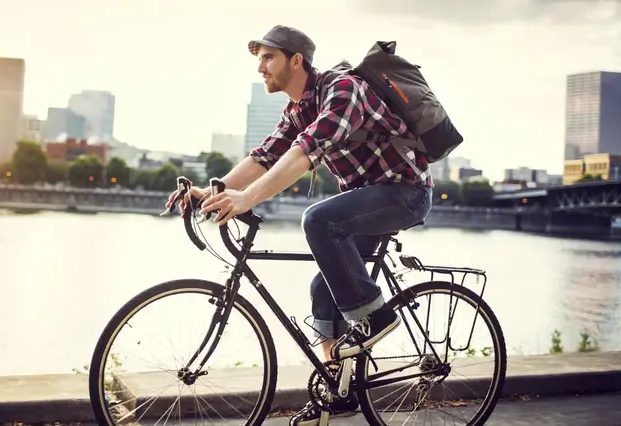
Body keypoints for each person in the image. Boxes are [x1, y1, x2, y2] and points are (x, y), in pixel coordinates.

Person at [164, 24, 433, 425]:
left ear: (296, 60)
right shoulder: (296, 110)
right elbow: (265, 156)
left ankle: (378, 318)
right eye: (259, 59)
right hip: (363, 203)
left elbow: (304, 154)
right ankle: (340, 391)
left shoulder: (343, 89)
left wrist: (247, 199)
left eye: (268, 57)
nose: (261, 67)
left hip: (404, 193)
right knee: (323, 289)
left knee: (318, 219)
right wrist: (210, 190)